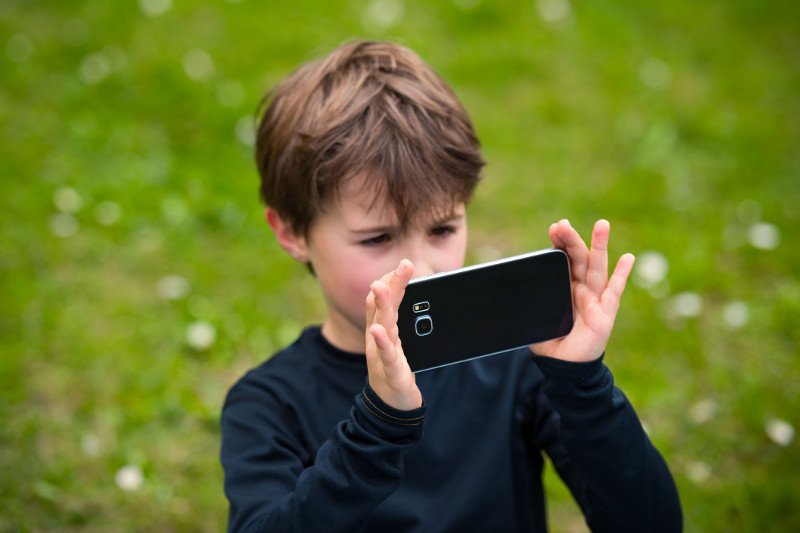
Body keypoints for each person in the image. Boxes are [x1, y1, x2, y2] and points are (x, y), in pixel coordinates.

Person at [220, 40, 682, 532]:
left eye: (442, 230)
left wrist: (583, 386)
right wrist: (377, 425)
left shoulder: (514, 364)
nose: (421, 270)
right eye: (377, 238)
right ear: (292, 231)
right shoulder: (268, 404)